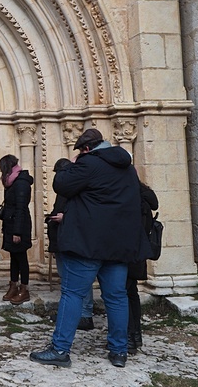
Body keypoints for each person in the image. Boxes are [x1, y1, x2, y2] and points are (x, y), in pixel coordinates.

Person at [30, 128, 151, 369]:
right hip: (118, 246)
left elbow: (61, 185)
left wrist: (71, 164)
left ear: (86, 149)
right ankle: (119, 351)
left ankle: (60, 349)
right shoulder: (127, 169)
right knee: (116, 297)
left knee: (72, 294)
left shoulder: (89, 164)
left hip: (87, 244)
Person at [46, 157, 95, 330]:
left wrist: (64, 217)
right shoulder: (65, 189)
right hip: (62, 238)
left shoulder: (79, 188)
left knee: (79, 278)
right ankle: (71, 313)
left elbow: (87, 213)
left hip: (73, 239)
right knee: (67, 279)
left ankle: (85, 315)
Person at [126, 181, 159, 353]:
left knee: (122, 294)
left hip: (127, 252)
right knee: (131, 293)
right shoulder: (146, 197)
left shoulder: (129, 198)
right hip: (139, 252)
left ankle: (129, 338)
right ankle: (136, 335)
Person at [0, 154, 34, 305]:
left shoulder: (21, 183)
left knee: (21, 258)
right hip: (11, 223)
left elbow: (20, 208)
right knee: (14, 257)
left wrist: (17, 232)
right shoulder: (12, 181)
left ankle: (24, 289)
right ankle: (13, 285)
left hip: (19, 225)